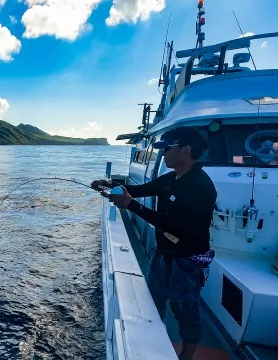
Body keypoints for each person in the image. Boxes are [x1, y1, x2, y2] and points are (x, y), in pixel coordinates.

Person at [91, 127, 217, 360]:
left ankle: (186, 357)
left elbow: (173, 225)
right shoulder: (171, 178)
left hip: (187, 262)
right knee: (152, 302)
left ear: (185, 150)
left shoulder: (201, 186)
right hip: (163, 254)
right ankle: (151, 347)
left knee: (186, 313)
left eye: (167, 149)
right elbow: (139, 190)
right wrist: (110, 186)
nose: (163, 154)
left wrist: (130, 205)